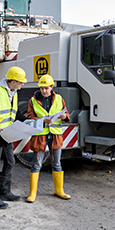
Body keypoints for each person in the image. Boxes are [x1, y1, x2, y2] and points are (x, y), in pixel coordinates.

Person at [26, 74, 71, 203]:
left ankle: (59, 190)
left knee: (56, 163)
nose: (44, 91)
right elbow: (29, 118)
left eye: (47, 88)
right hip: (40, 136)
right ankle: (33, 193)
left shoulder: (59, 99)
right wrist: (42, 120)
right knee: (37, 164)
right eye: (42, 88)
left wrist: (64, 117)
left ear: (52, 87)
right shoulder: (33, 100)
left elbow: (66, 113)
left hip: (55, 135)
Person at [0, 66, 28, 209]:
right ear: (13, 81)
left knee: (10, 162)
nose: (23, 84)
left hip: (8, 135)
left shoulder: (14, 93)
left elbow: (14, 113)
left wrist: (28, 121)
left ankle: (5, 192)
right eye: (21, 82)